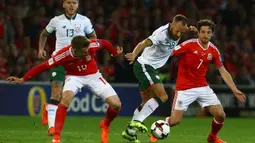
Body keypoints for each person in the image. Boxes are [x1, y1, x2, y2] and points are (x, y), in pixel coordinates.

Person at [7, 36, 122, 143]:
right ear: (75, 50)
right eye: (83, 51)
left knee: (117, 105)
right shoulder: (63, 55)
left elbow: (105, 43)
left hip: (93, 76)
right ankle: (56, 137)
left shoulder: (91, 45)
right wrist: (23, 79)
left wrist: (114, 53)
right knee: (65, 100)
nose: (87, 52)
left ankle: (105, 124)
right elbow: (42, 67)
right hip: (74, 77)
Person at [151, 19, 246, 143]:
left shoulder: (213, 50)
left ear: (212, 34)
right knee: (174, 121)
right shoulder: (189, 45)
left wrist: (234, 89)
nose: (205, 35)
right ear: (198, 33)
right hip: (184, 88)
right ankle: (156, 130)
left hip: (202, 87)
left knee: (221, 115)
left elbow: (222, 70)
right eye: (203, 32)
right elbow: (169, 53)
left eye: (208, 32)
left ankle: (212, 137)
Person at [122, 14, 197, 143]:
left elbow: (186, 29)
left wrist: (192, 30)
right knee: (163, 96)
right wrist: (134, 53)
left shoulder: (181, 30)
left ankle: (130, 132)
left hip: (151, 68)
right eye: (177, 30)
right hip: (145, 65)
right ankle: (138, 122)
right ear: (172, 25)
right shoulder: (161, 34)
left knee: (146, 102)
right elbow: (144, 43)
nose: (178, 33)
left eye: (181, 31)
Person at [37, 0, 97, 135]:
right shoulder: (56, 21)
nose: (71, 5)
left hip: (76, 63)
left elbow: (93, 37)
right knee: (56, 93)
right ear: (63, 4)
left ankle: (48, 109)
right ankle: (51, 128)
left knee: (65, 97)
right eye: (68, 2)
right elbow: (44, 34)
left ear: (78, 5)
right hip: (58, 60)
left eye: (74, 3)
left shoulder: (85, 21)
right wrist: (41, 49)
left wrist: (90, 52)